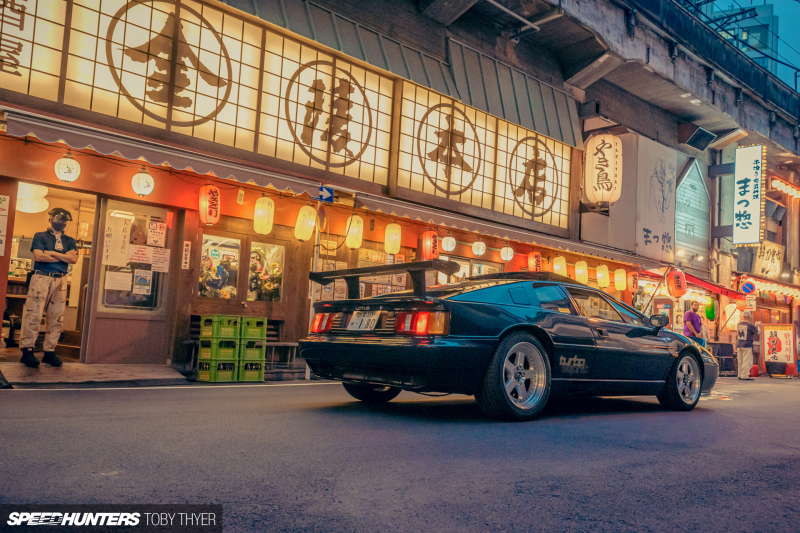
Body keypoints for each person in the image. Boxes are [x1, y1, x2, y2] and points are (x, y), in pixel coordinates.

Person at [19, 207, 78, 368]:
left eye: (65, 221)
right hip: (41, 277)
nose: (61, 223)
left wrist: (51, 253)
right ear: (50, 218)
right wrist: (63, 257)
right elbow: (38, 256)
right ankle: (27, 350)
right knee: (34, 314)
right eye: (58, 219)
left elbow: (74, 260)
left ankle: (49, 351)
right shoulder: (40, 236)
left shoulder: (70, 240)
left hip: (61, 279)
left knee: (57, 316)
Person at [736, 311, 759, 381]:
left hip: (739, 344)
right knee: (746, 361)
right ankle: (745, 375)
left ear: (743, 317)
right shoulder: (750, 325)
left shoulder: (738, 324)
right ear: (749, 317)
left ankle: (739, 374)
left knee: (740, 360)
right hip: (747, 345)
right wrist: (757, 326)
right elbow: (757, 332)